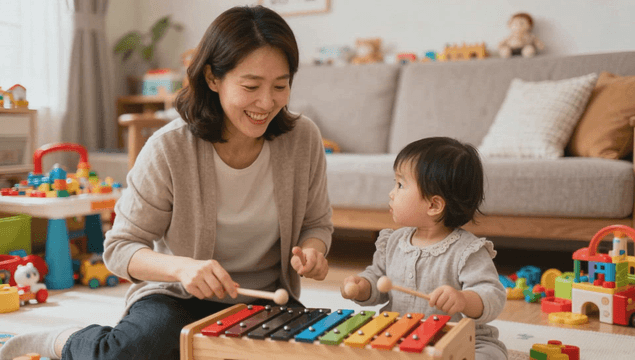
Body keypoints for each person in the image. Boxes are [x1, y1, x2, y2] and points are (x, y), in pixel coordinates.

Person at [0, 5, 333, 360]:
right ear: (213, 78)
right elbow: (119, 247)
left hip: (266, 301)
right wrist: (183, 268)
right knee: (122, 354)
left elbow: (316, 224)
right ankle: (66, 341)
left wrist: (313, 251)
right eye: (251, 86)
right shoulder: (169, 146)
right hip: (178, 298)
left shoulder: (303, 138)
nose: (267, 102)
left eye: (280, 86)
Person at [341, 137, 508, 360]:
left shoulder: (468, 250)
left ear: (434, 205)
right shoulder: (392, 242)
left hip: (462, 339)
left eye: (400, 185)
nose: (392, 193)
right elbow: (378, 279)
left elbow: (493, 295)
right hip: (400, 335)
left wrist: (463, 299)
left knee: (488, 355)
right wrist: (363, 286)